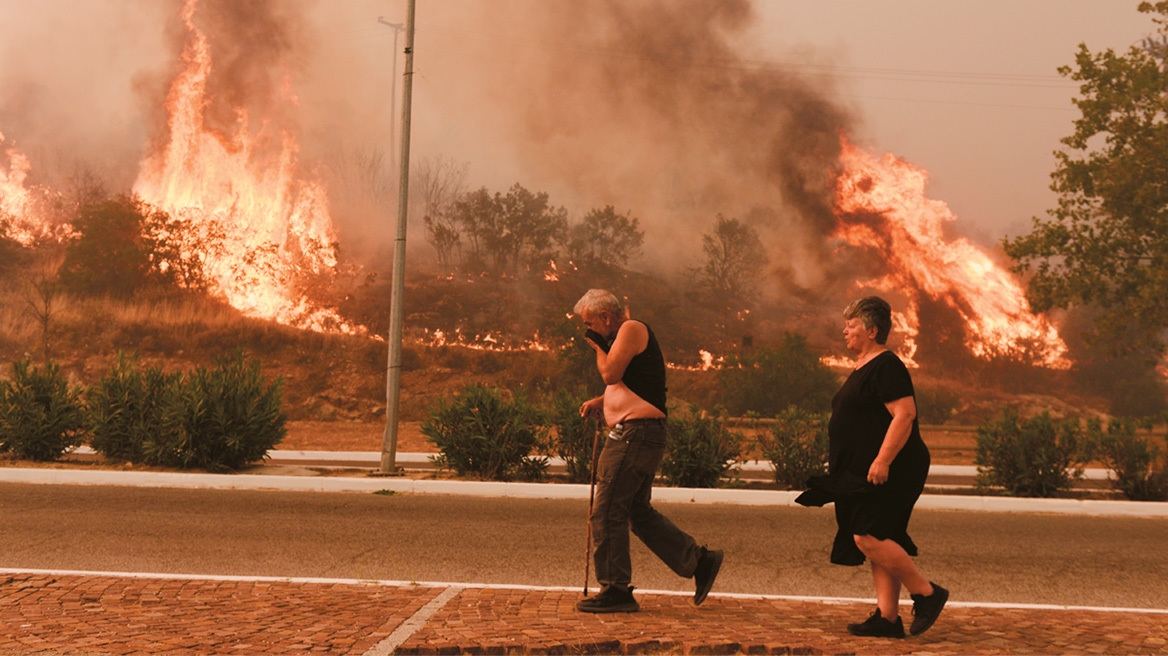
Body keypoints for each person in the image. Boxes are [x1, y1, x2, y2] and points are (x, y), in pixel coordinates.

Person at [799, 296, 948, 638]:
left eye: (851, 325)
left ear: (871, 330)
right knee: (881, 537)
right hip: (863, 470)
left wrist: (882, 460)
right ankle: (887, 618)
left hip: (893, 467)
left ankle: (926, 593)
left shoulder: (886, 366)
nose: (844, 330)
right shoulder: (865, 366)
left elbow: (905, 414)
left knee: (866, 536)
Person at [573, 288, 723, 613]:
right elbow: (638, 384)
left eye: (589, 324)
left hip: (636, 435)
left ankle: (616, 590)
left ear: (605, 317)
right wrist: (605, 402)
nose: (587, 330)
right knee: (636, 512)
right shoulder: (625, 337)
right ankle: (699, 562)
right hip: (637, 433)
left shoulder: (630, 328)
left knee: (607, 511)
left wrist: (598, 347)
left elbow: (611, 373)